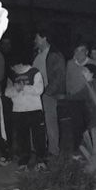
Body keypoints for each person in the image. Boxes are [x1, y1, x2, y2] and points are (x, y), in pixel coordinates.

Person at [5, 53, 47, 172]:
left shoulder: (34, 72)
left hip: (34, 110)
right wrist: (16, 89)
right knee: (22, 138)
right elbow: (7, 92)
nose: (12, 69)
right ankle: (24, 161)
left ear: (19, 64)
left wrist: (24, 87)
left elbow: (39, 90)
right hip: (19, 110)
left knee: (39, 137)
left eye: (14, 67)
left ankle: (41, 161)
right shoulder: (12, 75)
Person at [33, 28, 66, 156]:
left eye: (37, 38)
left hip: (48, 94)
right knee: (39, 123)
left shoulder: (54, 54)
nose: (35, 40)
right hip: (36, 94)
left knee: (50, 121)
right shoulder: (37, 54)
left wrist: (48, 91)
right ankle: (41, 148)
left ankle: (54, 150)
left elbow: (59, 76)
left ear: (44, 38)